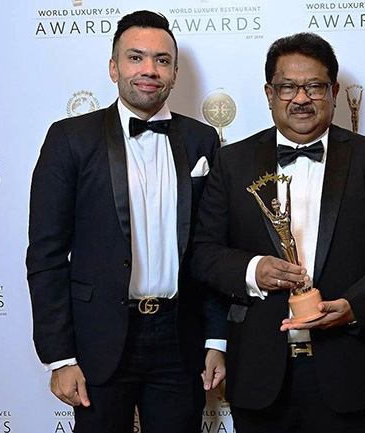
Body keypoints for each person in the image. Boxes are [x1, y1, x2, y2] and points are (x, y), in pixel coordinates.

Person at [193, 32, 365, 433]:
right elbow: (203, 252)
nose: (300, 98)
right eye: (287, 87)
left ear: (334, 92)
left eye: (314, 86)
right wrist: (252, 270)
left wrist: (355, 305)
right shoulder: (232, 162)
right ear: (269, 94)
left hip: (352, 366)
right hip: (258, 369)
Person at [26, 10, 227, 433]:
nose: (149, 70)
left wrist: (216, 339)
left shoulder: (202, 139)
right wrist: (60, 357)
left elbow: (212, 250)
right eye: (136, 58)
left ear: (174, 73)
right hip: (98, 339)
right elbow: (46, 255)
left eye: (162, 60)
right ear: (114, 67)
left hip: (181, 338)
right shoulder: (69, 138)